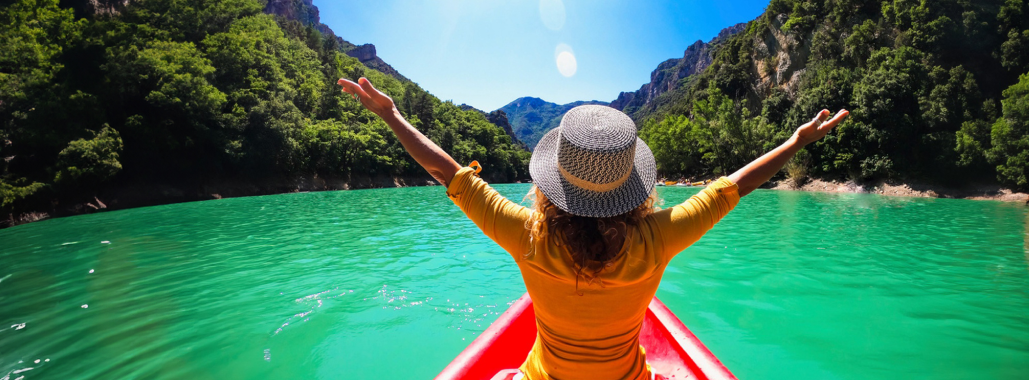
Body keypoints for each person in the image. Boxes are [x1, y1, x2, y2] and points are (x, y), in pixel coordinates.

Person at [338, 77, 850, 380]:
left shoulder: (527, 234)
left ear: (552, 182)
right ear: (634, 186)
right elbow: (731, 189)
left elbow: (448, 173)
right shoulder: (658, 237)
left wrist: (392, 115)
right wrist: (797, 142)